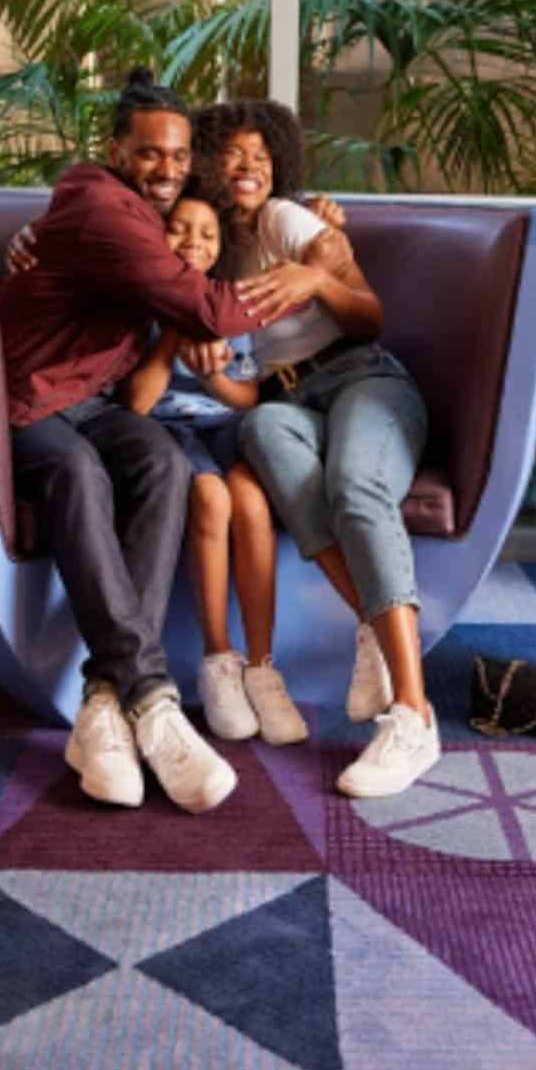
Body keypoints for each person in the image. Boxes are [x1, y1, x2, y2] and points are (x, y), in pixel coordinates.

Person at [0, 69, 292, 816]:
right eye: (150, 153)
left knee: (161, 461)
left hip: (96, 398)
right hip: (37, 398)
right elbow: (208, 304)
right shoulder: (105, 209)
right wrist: (308, 278)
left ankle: (104, 700)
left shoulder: (129, 211)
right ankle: (153, 699)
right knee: (76, 473)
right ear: (115, 149)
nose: (167, 169)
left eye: (179, 154)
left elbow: (193, 278)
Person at [192, 99, 441, 798]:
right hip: (285, 401)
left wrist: (319, 279)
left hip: (362, 376)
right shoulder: (207, 241)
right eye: (233, 155)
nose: (249, 168)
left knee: (355, 488)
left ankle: (413, 717)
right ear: (207, 162)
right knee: (260, 431)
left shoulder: (286, 220)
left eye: (261, 157)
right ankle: (373, 625)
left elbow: (369, 317)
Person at [123, 179, 309, 747]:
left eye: (205, 234)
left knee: (250, 500)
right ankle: (218, 659)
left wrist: (213, 376)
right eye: (179, 229)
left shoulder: (229, 305)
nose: (192, 242)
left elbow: (249, 398)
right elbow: (138, 403)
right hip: (172, 430)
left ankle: (261, 665)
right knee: (212, 497)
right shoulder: (142, 306)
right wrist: (177, 334)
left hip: (226, 424)